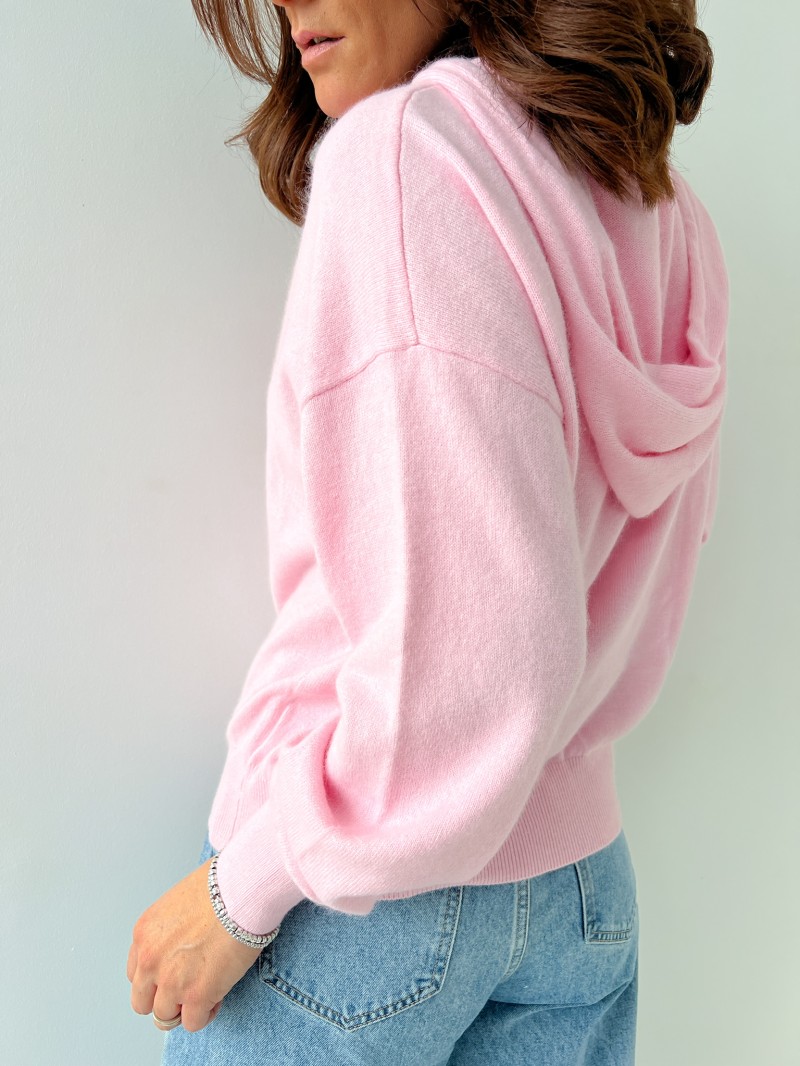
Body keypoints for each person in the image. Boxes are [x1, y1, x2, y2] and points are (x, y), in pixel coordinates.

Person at [126, 1, 728, 1062]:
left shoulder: (408, 150)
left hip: (366, 903)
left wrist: (244, 887)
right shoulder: (657, 203)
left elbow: (478, 657)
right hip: (580, 892)